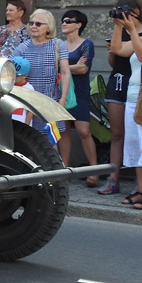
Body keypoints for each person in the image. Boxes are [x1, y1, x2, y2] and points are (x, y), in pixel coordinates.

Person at [97, 0, 140, 195]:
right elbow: (114, 60)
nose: (119, 15)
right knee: (117, 134)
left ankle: (139, 184)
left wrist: (124, 30)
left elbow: (122, 51)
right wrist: (117, 28)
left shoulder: (139, 33)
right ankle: (113, 179)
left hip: (136, 86)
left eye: (122, 11)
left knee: (138, 136)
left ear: (135, 12)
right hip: (119, 81)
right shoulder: (121, 31)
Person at [11, 9, 70, 140]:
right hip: (28, 102)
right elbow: (8, 67)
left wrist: (63, 98)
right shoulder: (23, 47)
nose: (33, 26)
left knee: (50, 141)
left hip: (50, 100)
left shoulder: (57, 45)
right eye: (31, 23)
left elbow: (65, 72)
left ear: (49, 28)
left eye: (38, 24)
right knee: (28, 140)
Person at [107, 0, 142, 208]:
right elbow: (118, 50)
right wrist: (119, 26)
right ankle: (140, 190)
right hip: (132, 96)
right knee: (134, 145)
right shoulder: (133, 34)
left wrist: (132, 30)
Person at [55, 10, 99, 185]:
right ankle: (65, 168)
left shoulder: (87, 44)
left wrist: (62, 66)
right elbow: (55, 66)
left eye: (68, 20)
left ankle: (94, 170)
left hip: (80, 92)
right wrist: (69, 67)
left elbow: (83, 69)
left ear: (79, 24)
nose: (64, 23)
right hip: (61, 90)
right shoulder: (59, 44)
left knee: (83, 131)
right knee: (63, 130)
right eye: (63, 20)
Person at [10, 56, 34, 125]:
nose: (13, 76)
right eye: (11, 73)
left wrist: (26, 125)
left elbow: (31, 110)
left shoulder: (29, 88)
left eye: (16, 75)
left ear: (25, 76)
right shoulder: (5, 85)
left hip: (21, 124)